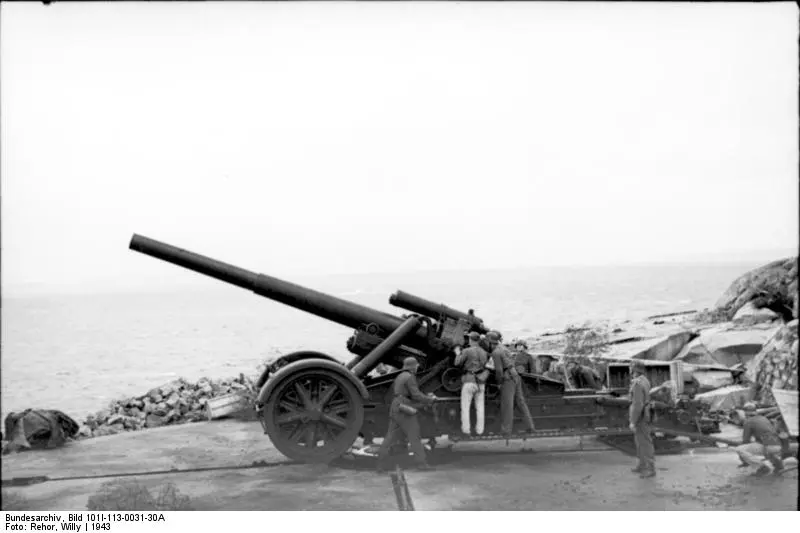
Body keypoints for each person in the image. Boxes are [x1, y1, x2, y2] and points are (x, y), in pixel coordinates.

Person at [376, 357, 436, 472]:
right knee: (414, 435)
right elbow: (416, 395)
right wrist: (430, 399)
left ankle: (380, 464)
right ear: (413, 366)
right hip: (405, 408)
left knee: (390, 437)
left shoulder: (400, 376)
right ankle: (421, 463)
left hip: (396, 406)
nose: (418, 367)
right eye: (416, 366)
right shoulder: (410, 377)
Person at [487, 331, 535, 436]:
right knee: (521, 403)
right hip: (516, 376)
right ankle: (530, 427)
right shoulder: (504, 348)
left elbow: (499, 371)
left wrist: (499, 383)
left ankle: (506, 431)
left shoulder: (495, 352)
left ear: (491, 342)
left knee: (507, 405)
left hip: (508, 379)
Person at [735, 402, 784, 476]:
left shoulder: (748, 421)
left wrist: (743, 459)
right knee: (766, 448)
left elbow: (745, 440)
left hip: (768, 447)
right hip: (777, 445)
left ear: (745, 413)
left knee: (739, 449)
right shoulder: (764, 418)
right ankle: (778, 466)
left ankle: (761, 467)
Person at [454, 332, 489, 436]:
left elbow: (457, 363)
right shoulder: (484, 352)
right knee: (480, 407)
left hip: (469, 381)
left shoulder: (466, 351)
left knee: (465, 407)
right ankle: (479, 430)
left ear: (470, 340)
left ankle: (466, 430)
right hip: (481, 381)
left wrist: (457, 353)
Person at [629, 361, 655, 478]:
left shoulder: (637, 384)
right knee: (640, 441)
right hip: (645, 414)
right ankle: (642, 465)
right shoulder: (644, 380)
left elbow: (637, 404)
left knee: (644, 442)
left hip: (641, 416)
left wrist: (633, 421)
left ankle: (650, 468)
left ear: (634, 370)